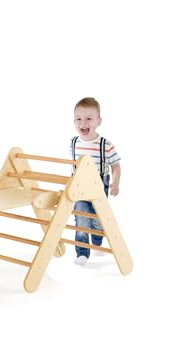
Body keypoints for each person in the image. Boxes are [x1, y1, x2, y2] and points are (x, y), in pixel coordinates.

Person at [71, 97, 122, 265]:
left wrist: (116, 183)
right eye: (78, 119)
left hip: (99, 186)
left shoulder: (105, 145)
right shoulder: (73, 143)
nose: (83, 123)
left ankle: (97, 243)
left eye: (89, 118)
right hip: (79, 187)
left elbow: (116, 166)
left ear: (99, 121)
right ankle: (82, 253)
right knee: (81, 218)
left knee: (98, 219)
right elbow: (73, 166)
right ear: (74, 121)